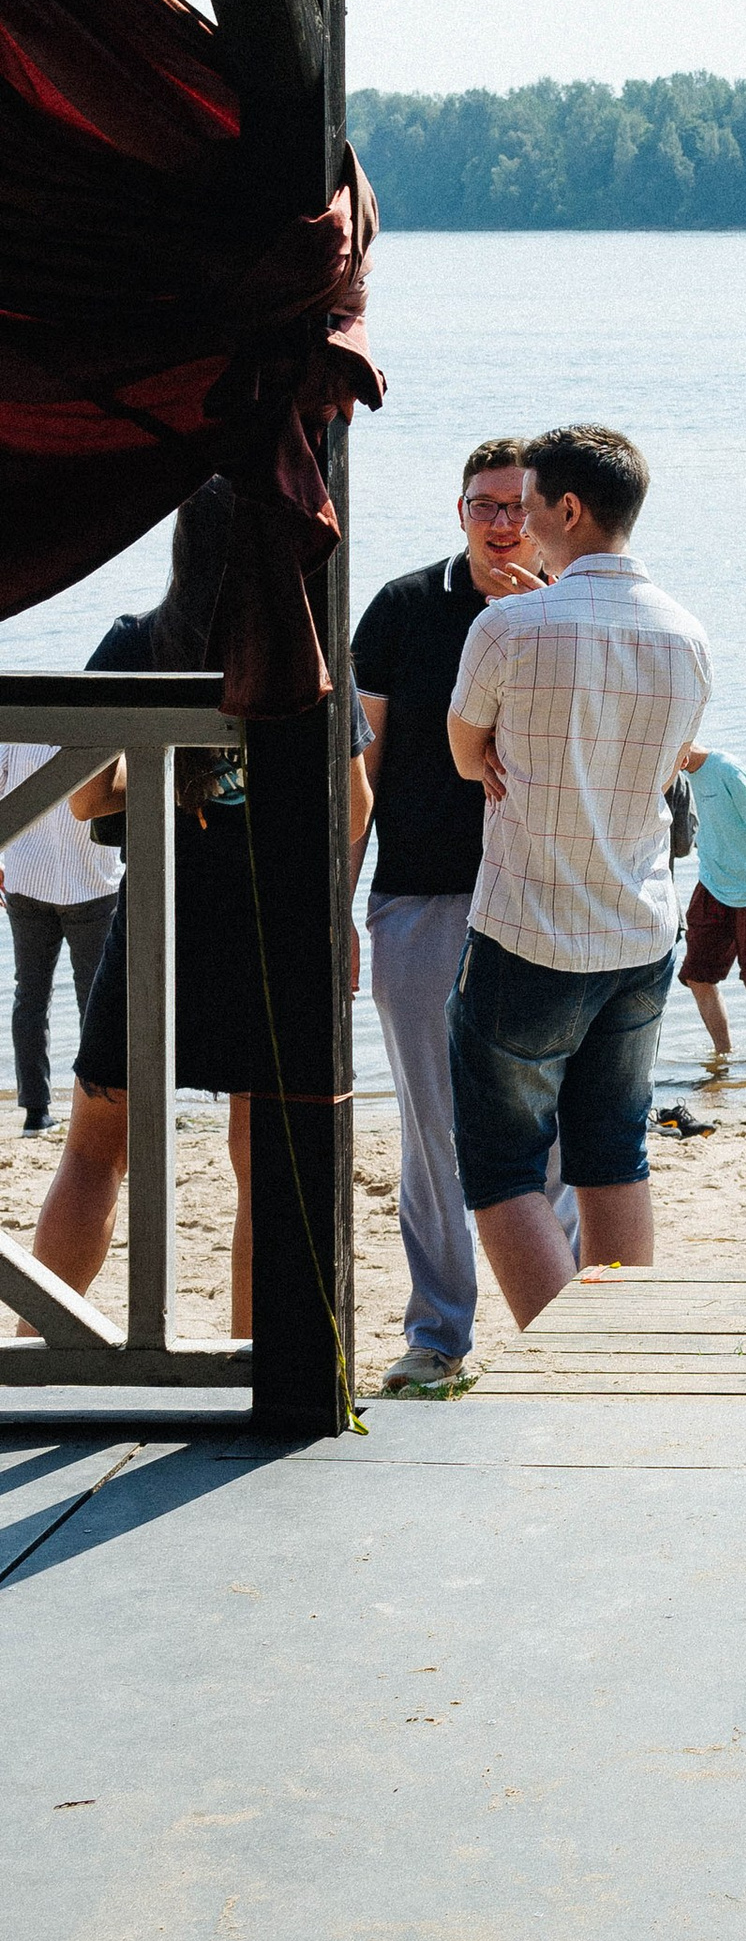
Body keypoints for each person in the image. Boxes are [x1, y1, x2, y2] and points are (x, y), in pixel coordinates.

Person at [24, 480, 372, 1338]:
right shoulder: (314, 652)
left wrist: (170, 770)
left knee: (95, 1152)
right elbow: (356, 800)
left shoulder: (141, 641)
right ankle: (256, 1358)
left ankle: (40, 1344)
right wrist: (339, 911)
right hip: (274, 921)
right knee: (262, 1166)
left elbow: (82, 799)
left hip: (162, 922)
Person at [446, 425, 711, 1333]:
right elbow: (677, 758)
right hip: (640, 928)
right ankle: (621, 1356)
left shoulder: (509, 624)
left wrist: (502, 753)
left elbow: (461, 751)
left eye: (528, 506)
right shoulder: (687, 632)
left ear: (568, 509)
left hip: (528, 923)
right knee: (613, 1152)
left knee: (501, 1166)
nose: (518, 521)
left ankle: (561, 1361)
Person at [353, 437, 576, 1395]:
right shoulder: (404, 608)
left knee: (553, 1122)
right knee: (429, 1127)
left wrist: (541, 627)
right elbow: (358, 771)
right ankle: (438, 1333)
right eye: (486, 505)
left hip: (544, 898)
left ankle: (561, 1326)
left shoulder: (573, 612)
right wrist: (337, 907)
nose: (503, 524)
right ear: (459, 512)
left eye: (519, 506)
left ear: (550, 514)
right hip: (421, 896)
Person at [1, 741, 119, 1135]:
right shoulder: (96, 730)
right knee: (96, 999)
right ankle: (97, 1107)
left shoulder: (21, 732)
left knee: (30, 997)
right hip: (91, 881)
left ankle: (36, 1111)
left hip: (26, 876)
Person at [675, 741, 746, 1062]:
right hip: (711, 886)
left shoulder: (726, 769)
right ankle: (722, 1056)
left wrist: (739, 846)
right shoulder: (676, 777)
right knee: (698, 977)